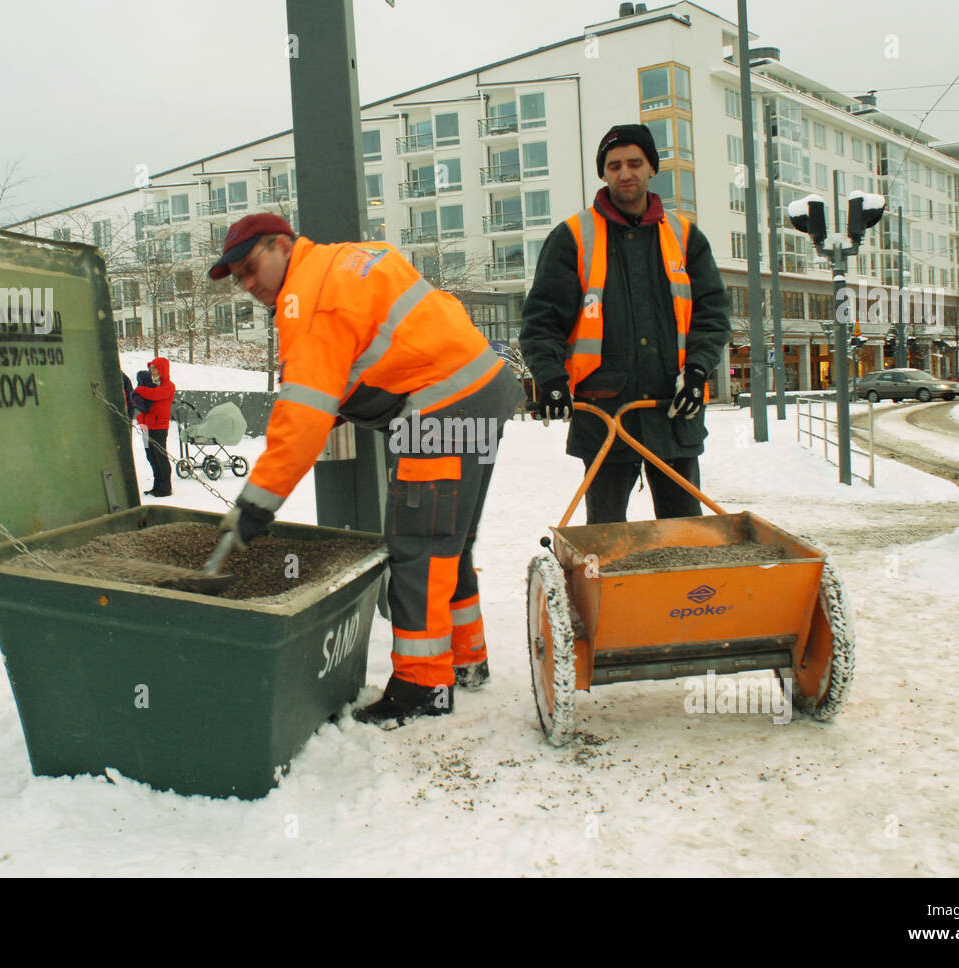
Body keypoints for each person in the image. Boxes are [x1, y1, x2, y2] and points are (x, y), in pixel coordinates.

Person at [207, 213, 524, 729]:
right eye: (239, 278)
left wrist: (255, 505)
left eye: (249, 268)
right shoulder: (344, 261)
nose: (248, 285)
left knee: (417, 544)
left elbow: (303, 417)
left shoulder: (307, 301)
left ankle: (424, 685)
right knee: (449, 540)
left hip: (442, 408)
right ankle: (466, 657)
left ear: (282, 245)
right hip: (482, 387)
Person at [519, 123, 731, 523]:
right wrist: (550, 380)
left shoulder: (685, 237)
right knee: (605, 534)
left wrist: (699, 370)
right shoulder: (573, 237)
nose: (624, 173)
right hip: (604, 415)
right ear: (603, 173)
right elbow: (541, 318)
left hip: (672, 411)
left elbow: (712, 313)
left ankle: (685, 589)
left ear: (652, 168)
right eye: (614, 165)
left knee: (684, 531)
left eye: (635, 163)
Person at [133, 358, 174, 497]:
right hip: (146, 426)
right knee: (151, 457)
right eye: (151, 369)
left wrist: (139, 389)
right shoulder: (150, 385)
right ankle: (157, 486)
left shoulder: (168, 386)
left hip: (158, 427)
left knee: (160, 457)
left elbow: (154, 395)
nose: (152, 371)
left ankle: (165, 487)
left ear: (162, 369)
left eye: (155, 368)